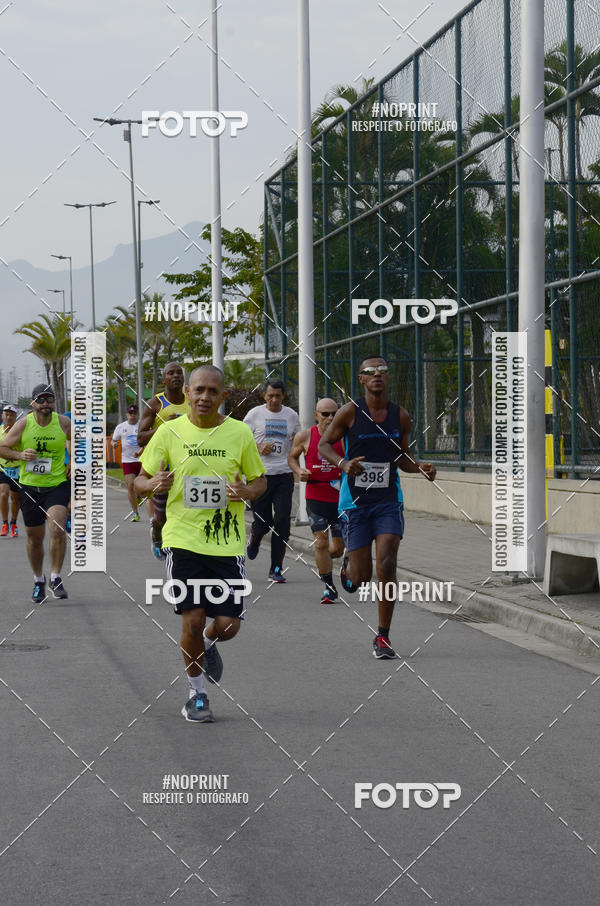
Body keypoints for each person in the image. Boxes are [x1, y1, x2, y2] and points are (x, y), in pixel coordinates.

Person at [135, 365, 266, 723]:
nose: (204, 397)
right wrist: (153, 484)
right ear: (188, 394)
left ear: (223, 396)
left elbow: (260, 481)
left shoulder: (239, 433)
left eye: (212, 391)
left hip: (226, 544)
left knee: (228, 626)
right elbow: (140, 480)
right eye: (199, 390)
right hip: (182, 540)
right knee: (191, 619)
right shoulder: (169, 432)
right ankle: (196, 694)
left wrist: (246, 491)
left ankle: (208, 644)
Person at [318, 357, 436, 659]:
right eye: (370, 372)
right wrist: (344, 463)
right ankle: (349, 566)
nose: (377, 375)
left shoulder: (400, 416)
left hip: (388, 501)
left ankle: (383, 636)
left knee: (387, 562)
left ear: (388, 377)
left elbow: (402, 457)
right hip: (355, 504)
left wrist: (420, 467)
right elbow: (324, 446)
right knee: (361, 577)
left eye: (382, 371)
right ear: (361, 379)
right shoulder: (349, 412)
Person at [0, 384, 71, 602]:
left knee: (57, 527)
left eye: (49, 399)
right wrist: (20, 455)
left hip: (56, 485)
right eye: (40, 400)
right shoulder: (24, 424)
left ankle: (56, 577)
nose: (45, 404)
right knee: (34, 538)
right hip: (30, 488)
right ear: (33, 403)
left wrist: (74, 461)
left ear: (54, 402)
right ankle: (39, 580)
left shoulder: (63, 422)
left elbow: (78, 443)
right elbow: (2, 448)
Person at [288, 399, 345, 604]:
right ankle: (329, 587)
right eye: (325, 414)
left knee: (338, 549)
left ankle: (328, 561)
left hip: (340, 499)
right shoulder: (305, 436)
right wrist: (299, 470)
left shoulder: (344, 437)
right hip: (315, 496)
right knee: (321, 543)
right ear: (316, 415)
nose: (330, 418)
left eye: (334, 414)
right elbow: (292, 458)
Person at [243, 379, 300, 582]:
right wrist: (258, 447)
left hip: (283, 475)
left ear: (283, 396)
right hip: (259, 476)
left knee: (282, 522)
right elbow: (242, 440)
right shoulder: (254, 415)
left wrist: (295, 442)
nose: (274, 400)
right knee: (263, 523)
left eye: (278, 396)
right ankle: (255, 537)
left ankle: (276, 569)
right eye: (270, 396)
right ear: (264, 396)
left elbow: (298, 440)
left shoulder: (291, 415)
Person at [137, 362, 191, 558]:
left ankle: (183, 549)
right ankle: (157, 532)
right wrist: (164, 426)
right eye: (171, 373)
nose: (176, 376)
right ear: (164, 379)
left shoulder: (192, 401)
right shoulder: (155, 404)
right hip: (162, 466)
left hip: (187, 463)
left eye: (179, 373)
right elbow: (140, 438)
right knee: (162, 517)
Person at [111, 404, 143, 521]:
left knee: (141, 486)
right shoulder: (121, 427)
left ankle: (138, 495)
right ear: (127, 414)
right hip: (127, 460)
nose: (132, 415)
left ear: (138, 414)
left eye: (134, 413)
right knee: (130, 486)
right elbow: (113, 440)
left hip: (142, 460)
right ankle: (135, 513)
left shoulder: (142, 425)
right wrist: (114, 444)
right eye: (130, 413)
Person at [0, 404, 21, 537]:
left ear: (15, 417)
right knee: (3, 493)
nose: (8, 417)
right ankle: (4, 524)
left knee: (15, 498)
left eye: (12, 415)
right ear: (2, 416)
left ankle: (13, 523)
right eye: (6, 414)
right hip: (2, 469)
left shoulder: (20, 430)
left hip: (18, 469)